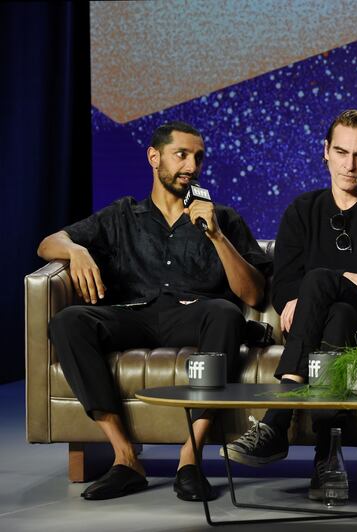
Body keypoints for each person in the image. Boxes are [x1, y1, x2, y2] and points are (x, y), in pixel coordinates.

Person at [39, 121, 271, 502]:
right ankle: (126, 458)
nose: (191, 166)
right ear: (154, 157)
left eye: (198, 158)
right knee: (68, 321)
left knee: (226, 314)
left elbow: (254, 295)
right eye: (181, 155)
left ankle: (190, 459)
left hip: (193, 316)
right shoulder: (122, 215)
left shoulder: (222, 218)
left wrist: (215, 234)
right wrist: (76, 250)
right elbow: (48, 243)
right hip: (134, 314)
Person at [221, 109, 357, 501]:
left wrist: (330, 282)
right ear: (325, 151)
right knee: (338, 314)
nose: (349, 165)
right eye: (341, 152)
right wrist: (344, 281)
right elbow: (283, 287)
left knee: (321, 281)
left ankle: (277, 421)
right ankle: (327, 459)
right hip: (329, 325)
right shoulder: (302, 210)